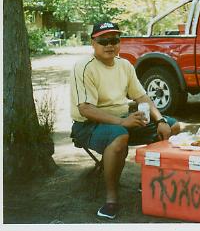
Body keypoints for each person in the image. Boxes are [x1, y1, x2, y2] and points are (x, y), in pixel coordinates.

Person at [69, 21, 180, 220]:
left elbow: (142, 97)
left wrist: (161, 119)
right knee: (119, 136)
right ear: (92, 43)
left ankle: (148, 181)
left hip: (121, 120)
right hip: (88, 125)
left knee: (173, 126)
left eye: (114, 40)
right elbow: (85, 109)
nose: (110, 45)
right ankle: (111, 199)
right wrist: (122, 123)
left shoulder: (124, 65)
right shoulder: (84, 67)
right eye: (103, 41)